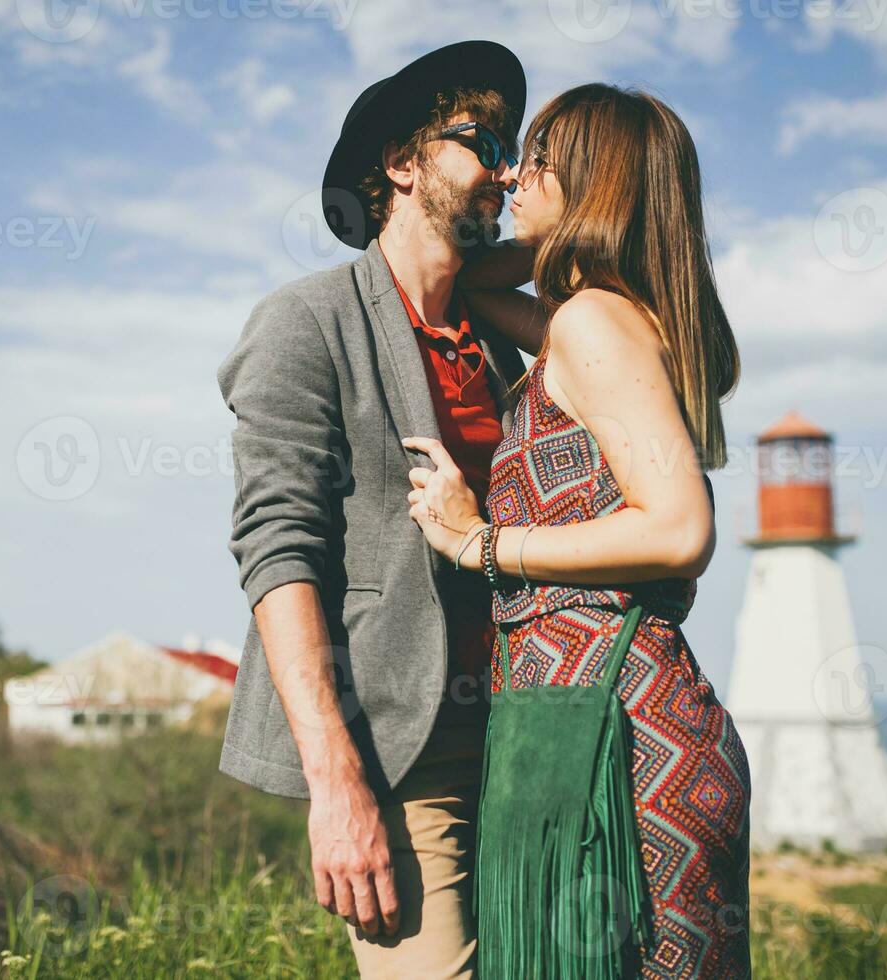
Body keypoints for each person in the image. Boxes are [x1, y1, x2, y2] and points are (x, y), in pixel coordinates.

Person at [403, 82, 753, 978]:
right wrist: (556, 226)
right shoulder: (592, 323)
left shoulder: (596, 323)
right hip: (577, 719)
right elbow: (470, 280)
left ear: (595, 183)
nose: (514, 170)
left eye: (541, 158)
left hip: (618, 735)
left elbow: (678, 528)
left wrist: (480, 543)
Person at [214, 40, 531, 978]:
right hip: (399, 750)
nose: (506, 170)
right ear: (402, 162)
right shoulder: (305, 321)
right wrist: (336, 779)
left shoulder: (502, 347)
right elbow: (279, 548)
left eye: (512, 149)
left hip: (520, 735)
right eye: (483, 142)